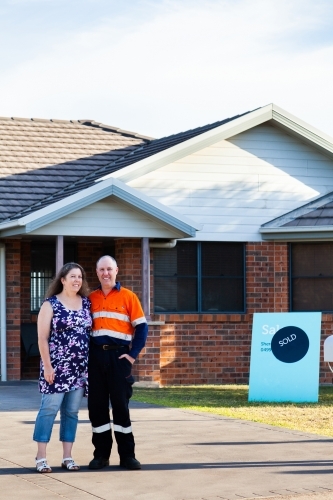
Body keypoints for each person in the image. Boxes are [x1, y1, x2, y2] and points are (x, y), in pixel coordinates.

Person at [88, 255, 148, 470]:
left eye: (109, 269)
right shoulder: (90, 298)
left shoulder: (128, 297)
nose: (106, 273)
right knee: (97, 408)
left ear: (116, 271)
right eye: (102, 269)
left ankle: (127, 456)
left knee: (121, 407)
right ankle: (101, 455)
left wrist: (132, 355)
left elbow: (141, 327)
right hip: (95, 358)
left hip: (119, 357)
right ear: (97, 272)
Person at [33, 262, 92, 473]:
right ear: (63, 280)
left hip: (79, 370)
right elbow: (41, 338)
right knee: (49, 410)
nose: (77, 280)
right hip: (56, 369)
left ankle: (67, 456)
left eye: (80, 277)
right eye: (72, 276)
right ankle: (41, 457)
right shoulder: (50, 304)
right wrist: (47, 367)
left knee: (71, 412)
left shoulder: (86, 303)